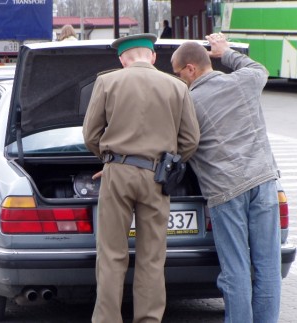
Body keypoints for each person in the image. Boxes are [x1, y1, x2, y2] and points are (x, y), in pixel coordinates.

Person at [83, 33, 200, 323]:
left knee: (111, 255)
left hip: (117, 174)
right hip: (157, 177)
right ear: (152, 57)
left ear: (122, 59)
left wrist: (110, 160)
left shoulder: (107, 82)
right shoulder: (177, 87)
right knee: (151, 257)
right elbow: (191, 140)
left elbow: (90, 135)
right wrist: (169, 165)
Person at [171, 34, 282, 323]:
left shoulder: (188, 103)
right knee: (268, 266)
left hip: (225, 192)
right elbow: (260, 69)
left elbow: (178, 147)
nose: (177, 79)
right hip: (264, 182)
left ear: (191, 69)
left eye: (177, 72)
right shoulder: (242, 81)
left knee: (236, 269)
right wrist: (227, 52)